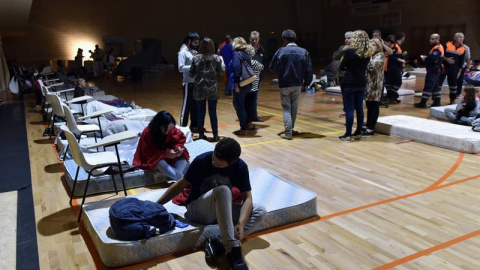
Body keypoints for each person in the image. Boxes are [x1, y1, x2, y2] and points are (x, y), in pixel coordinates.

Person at [155, 137, 267, 270]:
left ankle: (219, 241)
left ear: (232, 162)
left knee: (260, 210)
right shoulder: (202, 160)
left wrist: (241, 223)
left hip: (221, 211)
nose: (214, 162)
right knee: (223, 190)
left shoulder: (240, 167)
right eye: (214, 158)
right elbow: (180, 185)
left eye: (219, 164)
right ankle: (233, 249)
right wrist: (157, 205)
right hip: (197, 210)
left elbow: (247, 198)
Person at [270, 29, 313, 140]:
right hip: (298, 84)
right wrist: (306, 83)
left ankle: (288, 132)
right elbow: (309, 69)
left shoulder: (281, 51)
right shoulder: (304, 52)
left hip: (284, 84)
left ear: (285, 39)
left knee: (286, 108)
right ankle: (291, 129)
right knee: (294, 108)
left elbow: (272, 67)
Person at [338, 30, 375, 141]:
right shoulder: (368, 53)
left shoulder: (350, 52)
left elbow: (341, 67)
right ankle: (358, 132)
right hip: (361, 82)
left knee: (349, 108)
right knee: (359, 108)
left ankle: (348, 133)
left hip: (349, 81)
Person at [133, 111, 190, 181]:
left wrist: (177, 149)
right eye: (167, 127)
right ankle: (183, 180)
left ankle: (174, 179)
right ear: (159, 125)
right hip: (154, 158)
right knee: (158, 162)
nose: (169, 129)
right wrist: (167, 154)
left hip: (169, 155)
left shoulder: (170, 128)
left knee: (183, 156)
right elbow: (149, 153)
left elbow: (178, 139)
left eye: (170, 127)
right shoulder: (147, 133)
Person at [189, 37, 225, 142]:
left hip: (199, 89)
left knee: (201, 112)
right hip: (213, 89)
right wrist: (222, 63)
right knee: (213, 112)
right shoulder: (216, 58)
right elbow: (222, 72)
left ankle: (200, 135)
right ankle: (215, 135)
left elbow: (191, 73)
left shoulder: (196, 58)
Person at [414, 34, 444, 108]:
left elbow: (433, 58)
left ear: (437, 39)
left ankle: (423, 103)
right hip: (435, 70)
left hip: (433, 70)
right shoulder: (436, 47)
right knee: (435, 87)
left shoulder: (437, 48)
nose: (430, 40)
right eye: (430, 38)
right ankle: (437, 101)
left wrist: (425, 59)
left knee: (428, 86)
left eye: (432, 39)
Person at [363, 38, 386, 136]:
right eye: (370, 45)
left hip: (375, 85)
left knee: (374, 106)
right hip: (369, 84)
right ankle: (368, 125)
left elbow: (371, 66)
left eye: (373, 45)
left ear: (378, 46)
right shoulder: (372, 56)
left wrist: (366, 59)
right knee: (369, 105)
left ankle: (371, 128)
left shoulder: (380, 56)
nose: (371, 47)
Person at [178, 32, 200, 131]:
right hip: (188, 82)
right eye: (195, 42)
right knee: (187, 105)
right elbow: (180, 68)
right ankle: (183, 127)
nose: (197, 44)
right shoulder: (182, 52)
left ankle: (194, 125)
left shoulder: (193, 51)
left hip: (195, 82)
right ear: (189, 41)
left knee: (195, 105)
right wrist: (193, 67)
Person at [232, 37, 253, 136]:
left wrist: (236, 84)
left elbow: (237, 69)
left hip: (240, 83)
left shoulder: (237, 54)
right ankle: (248, 123)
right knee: (243, 104)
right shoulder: (246, 55)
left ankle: (243, 128)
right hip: (248, 83)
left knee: (238, 105)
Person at [439, 32, 466, 104]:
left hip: (454, 68)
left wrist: (459, 72)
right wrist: (447, 59)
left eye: (463, 37)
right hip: (444, 67)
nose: (462, 39)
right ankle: (436, 99)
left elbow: (461, 62)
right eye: (460, 37)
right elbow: (440, 55)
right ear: (455, 38)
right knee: (439, 83)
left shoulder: (463, 48)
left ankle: (452, 99)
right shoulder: (447, 45)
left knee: (453, 85)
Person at [332, 31, 353, 115]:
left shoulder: (356, 48)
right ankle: (345, 110)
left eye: (349, 38)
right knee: (344, 94)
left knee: (350, 94)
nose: (346, 40)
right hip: (342, 74)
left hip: (351, 74)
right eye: (345, 38)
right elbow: (335, 57)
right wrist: (342, 50)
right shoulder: (342, 47)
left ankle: (350, 109)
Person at [249, 31, 267, 122]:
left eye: (256, 39)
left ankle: (254, 116)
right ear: (250, 39)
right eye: (252, 40)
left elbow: (265, 62)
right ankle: (248, 116)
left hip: (257, 78)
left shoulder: (262, 50)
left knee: (255, 97)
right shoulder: (246, 49)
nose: (254, 41)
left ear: (259, 39)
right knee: (247, 98)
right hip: (247, 79)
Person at [245, 45, 264, 130]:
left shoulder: (244, 63)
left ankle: (246, 122)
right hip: (254, 88)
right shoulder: (254, 63)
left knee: (246, 106)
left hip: (245, 88)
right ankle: (249, 123)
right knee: (250, 107)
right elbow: (262, 67)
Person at [385, 32, 407, 104]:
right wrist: (400, 60)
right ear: (403, 38)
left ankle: (392, 96)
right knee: (397, 82)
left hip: (396, 67)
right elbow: (391, 56)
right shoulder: (395, 46)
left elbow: (397, 55)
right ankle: (392, 95)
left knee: (392, 83)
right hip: (393, 68)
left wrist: (402, 55)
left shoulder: (398, 46)